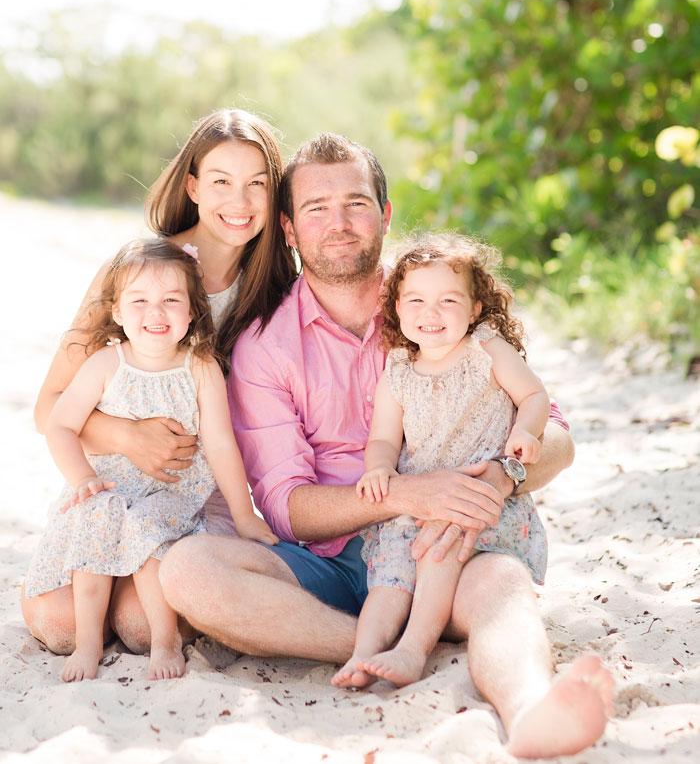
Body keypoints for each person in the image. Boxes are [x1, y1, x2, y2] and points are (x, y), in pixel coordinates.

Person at [159, 133, 613, 758]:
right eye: (316, 209)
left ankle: (531, 707)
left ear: (386, 213)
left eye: (356, 203)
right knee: (189, 569)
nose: (338, 223)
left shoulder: (436, 301)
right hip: (339, 565)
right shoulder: (265, 347)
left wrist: (502, 477)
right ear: (288, 228)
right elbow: (288, 509)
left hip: (448, 544)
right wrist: (404, 492)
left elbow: (554, 433)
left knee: (502, 581)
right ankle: (380, 644)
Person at [22, 108, 296, 654]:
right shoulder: (140, 272)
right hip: (116, 480)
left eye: (257, 185)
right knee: (60, 624)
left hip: (200, 491)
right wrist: (128, 436)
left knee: (142, 626)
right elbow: (47, 407)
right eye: (221, 182)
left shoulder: (277, 288)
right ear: (192, 186)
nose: (238, 203)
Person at [24, 237, 277, 683]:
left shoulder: (200, 367)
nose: (155, 313)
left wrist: (244, 513)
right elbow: (60, 424)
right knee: (95, 519)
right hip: (110, 486)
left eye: (170, 301)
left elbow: (220, 444)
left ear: (193, 311)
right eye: (139, 301)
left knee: (147, 525)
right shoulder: (106, 363)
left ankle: (164, 642)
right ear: (118, 312)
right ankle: (86, 645)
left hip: (171, 492)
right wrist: (82, 477)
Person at [334, 231, 550, 691]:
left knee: (439, 548)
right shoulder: (397, 369)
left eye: (448, 300)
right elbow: (384, 439)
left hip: (475, 500)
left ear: (474, 309)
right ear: (395, 308)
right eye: (415, 300)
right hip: (417, 502)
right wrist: (379, 469)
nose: (429, 314)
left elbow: (534, 395)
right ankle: (362, 654)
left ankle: (413, 649)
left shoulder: (486, 349)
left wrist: (525, 432)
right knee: (389, 575)